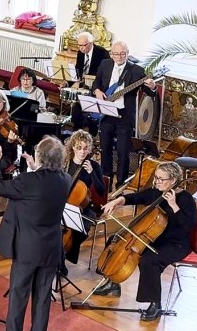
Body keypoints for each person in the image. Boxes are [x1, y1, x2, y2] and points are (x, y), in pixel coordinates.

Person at [0, 136, 70, 331]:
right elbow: (43, 185)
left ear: (40, 156)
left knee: (19, 294)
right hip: (50, 247)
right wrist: (36, 169)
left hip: (27, 248)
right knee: (42, 297)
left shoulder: (27, 181)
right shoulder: (65, 179)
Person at [93, 161, 196, 323]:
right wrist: (116, 201)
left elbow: (188, 226)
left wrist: (174, 205)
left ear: (174, 180)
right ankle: (112, 282)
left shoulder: (185, 199)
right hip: (155, 239)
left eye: (162, 179)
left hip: (175, 244)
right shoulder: (156, 192)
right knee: (115, 239)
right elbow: (135, 197)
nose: (157, 182)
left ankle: (155, 304)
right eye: (156, 178)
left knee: (149, 260)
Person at [91, 41, 156, 187]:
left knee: (123, 151)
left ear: (127, 53)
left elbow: (149, 91)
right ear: (111, 54)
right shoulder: (105, 65)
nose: (119, 56)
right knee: (105, 148)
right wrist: (97, 92)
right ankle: (105, 180)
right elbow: (96, 84)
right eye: (116, 53)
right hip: (106, 113)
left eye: (123, 53)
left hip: (124, 115)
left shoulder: (137, 70)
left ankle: (120, 184)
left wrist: (152, 86)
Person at [61, 130, 107, 268]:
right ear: (73, 147)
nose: (82, 152)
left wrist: (92, 173)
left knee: (80, 229)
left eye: (86, 148)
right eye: (79, 148)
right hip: (63, 205)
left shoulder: (94, 166)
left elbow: (101, 191)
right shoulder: (66, 164)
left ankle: (63, 256)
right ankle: (57, 259)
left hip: (85, 207)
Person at [70, 31, 109, 135]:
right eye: (79, 45)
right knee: (76, 109)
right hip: (84, 87)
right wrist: (72, 82)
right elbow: (78, 70)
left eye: (84, 45)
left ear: (91, 43)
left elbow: (105, 75)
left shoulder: (102, 53)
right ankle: (76, 135)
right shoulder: (80, 53)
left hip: (98, 88)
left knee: (87, 112)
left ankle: (91, 134)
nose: (82, 48)